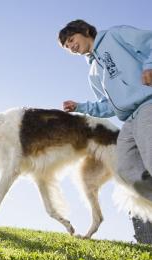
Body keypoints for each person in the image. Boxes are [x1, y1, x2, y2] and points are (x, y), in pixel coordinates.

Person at [58, 19, 152, 201]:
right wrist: (80, 107)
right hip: (130, 119)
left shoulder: (115, 35)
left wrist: (149, 66)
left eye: (71, 39)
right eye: (66, 46)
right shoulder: (93, 73)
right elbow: (108, 105)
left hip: (147, 104)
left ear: (85, 30)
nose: (70, 47)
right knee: (125, 170)